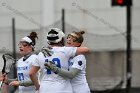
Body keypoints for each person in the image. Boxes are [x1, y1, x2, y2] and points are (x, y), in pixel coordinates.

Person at [29, 28, 89, 93]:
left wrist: (55, 69)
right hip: (66, 88)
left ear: (78, 44)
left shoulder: (79, 56)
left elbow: (71, 74)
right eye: (68, 37)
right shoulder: (65, 51)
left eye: (73, 39)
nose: (69, 40)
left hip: (80, 89)